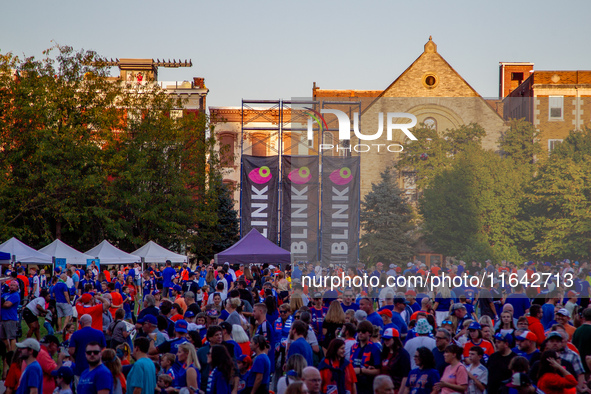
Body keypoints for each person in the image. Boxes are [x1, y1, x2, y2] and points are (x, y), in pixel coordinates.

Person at [68, 314, 107, 380]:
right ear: (91, 322)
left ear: (81, 323)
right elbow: (104, 350)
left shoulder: (76, 334)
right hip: (96, 367)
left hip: (80, 368)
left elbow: (71, 351)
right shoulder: (99, 333)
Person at [350, 320, 381, 394]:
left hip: (368, 386)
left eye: (363, 331)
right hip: (354, 383)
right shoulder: (353, 347)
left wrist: (361, 370)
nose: (360, 333)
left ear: (369, 333)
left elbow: (378, 371)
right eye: (358, 331)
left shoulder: (375, 349)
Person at [379, 328, 410, 392]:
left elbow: (405, 376)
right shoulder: (384, 353)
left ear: (395, 339)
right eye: (384, 339)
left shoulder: (402, 354)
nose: (385, 341)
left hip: (396, 389)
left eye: (388, 339)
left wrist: (400, 392)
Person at [1, 280, 21, 351]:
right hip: (2, 318)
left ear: (17, 287)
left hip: (11, 318)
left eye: (14, 285)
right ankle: (8, 351)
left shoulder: (16, 295)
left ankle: (12, 352)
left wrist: (2, 303)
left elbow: (8, 305)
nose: (12, 287)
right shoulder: (5, 294)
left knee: (12, 337)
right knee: (3, 338)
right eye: (11, 285)